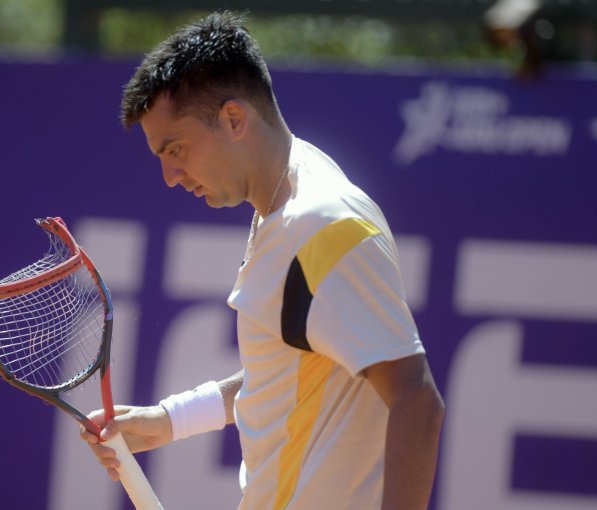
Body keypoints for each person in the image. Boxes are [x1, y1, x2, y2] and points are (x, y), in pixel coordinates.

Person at [80, 11, 445, 510]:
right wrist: (171, 420)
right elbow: (293, 372)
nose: (170, 175)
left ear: (233, 119)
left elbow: (416, 402)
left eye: (177, 149)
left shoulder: (322, 225)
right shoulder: (287, 198)